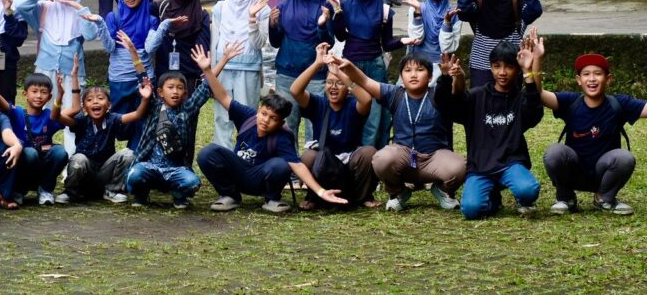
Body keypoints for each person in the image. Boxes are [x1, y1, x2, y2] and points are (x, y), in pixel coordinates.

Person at [522, 29, 647, 215]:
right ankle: (566, 197)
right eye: (586, 74)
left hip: (604, 172)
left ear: (608, 79)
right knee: (554, 153)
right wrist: (537, 59)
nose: (592, 79)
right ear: (578, 80)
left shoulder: (619, 104)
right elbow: (538, 94)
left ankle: (604, 198)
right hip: (574, 171)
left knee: (625, 158)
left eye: (598, 74)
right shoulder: (570, 102)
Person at [339, 52, 465, 212]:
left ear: (430, 77)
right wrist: (348, 66)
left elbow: (458, 91)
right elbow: (364, 81)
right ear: (401, 76)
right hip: (404, 158)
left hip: (434, 158)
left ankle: (443, 190)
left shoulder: (439, 95)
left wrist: (457, 76)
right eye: (408, 70)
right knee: (382, 159)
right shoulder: (395, 94)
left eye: (420, 70)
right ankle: (398, 192)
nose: (413, 75)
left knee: (459, 167)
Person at [197, 82, 347, 213]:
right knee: (207, 153)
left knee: (282, 164)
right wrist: (207, 69)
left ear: (281, 123)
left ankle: (272, 199)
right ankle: (230, 195)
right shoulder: (247, 116)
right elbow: (223, 96)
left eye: (273, 118)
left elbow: (296, 164)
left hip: (260, 180)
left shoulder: (283, 137)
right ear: (258, 110)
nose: (265, 120)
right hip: (239, 172)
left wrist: (321, 191)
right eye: (264, 114)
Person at [433, 41, 544, 219]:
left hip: (511, 163)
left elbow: (535, 113)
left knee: (528, 190)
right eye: (497, 66)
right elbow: (447, 106)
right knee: (471, 210)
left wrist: (528, 72)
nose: (502, 72)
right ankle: (493, 199)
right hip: (480, 167)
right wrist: (446, 78)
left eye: (509, 67)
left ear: (517, 70)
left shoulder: (520, 99)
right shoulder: (476, 96)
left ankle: (522, 199)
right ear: (490, 68)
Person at [125, 42, 244, 208]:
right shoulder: (154, 107)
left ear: (185, 93)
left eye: (179, 88)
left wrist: (223, 59)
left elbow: (206, 86)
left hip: (176, 169)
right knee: (134, 175)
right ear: (160, 92)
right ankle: (141, 195)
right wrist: (133, 52)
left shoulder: (188, 109)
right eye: (170, 87)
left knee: (192, 182)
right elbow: (143, 78)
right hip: (150, 166)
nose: (175, 91)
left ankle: (179, 195)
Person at [16, 0, 102, 157]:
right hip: (45, 70)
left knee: (72, 116)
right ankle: (40, 155)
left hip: (72, 73)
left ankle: (72, 159)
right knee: (40, 112)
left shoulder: (79, 12)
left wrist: (79, 8)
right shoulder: (44, 8)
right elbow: (20, 6)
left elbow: (91, 34)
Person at [327, 0, 412, 148]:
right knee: (350, 109)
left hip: (375, 65)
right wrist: (337, 11)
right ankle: (349, 153)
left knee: (374, 114)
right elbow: (340, 36)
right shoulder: (345, 5)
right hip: (350, 64)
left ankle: (370, 156)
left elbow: (387, 43)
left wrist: (402, 41)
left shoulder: (384, 9)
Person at [0, 42, 70, 206]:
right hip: (23, 163)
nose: (39, 96)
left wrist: (61, 95)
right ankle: (19, 190)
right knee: (29, 153)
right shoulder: (16, 112)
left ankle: (45, 189)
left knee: (60, 152)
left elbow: (69, 113)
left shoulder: (49, 115)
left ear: (49, 97)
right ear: (25, 94)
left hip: (43, 164)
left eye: (43, 92)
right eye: (34, 91)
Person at [290, 45, 378, 209]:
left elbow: (366, 100)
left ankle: (363, 197)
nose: (333, 87)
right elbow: (295, 91)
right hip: (323, 161)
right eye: (330, 82)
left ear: (348, 89)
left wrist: (340, 73)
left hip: (350, 160)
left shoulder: (353, 105)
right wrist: (317, 64)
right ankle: (314, 196)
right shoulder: (318, 104)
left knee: (368, 153)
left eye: (339, 83)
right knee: (308, 156)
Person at [52, 67, 152, 203]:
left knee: (128, 154)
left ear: (109, 105)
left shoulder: (113, 119)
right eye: (90, 100)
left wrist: (145, 99)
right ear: (84, 107)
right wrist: (60, 95)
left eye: (100, 98)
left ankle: (112, 190)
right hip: (84, 173)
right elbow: (56, 117)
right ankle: (71, 192)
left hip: (105, 172)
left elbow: (138, 114)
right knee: (79, 159)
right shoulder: (81, 121)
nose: (95, 102)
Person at [269, 0, 333, 143]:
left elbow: (328, 42)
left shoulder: (323, 7)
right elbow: (275, 42)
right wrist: (273, 24)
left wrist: (322, 25)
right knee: (287, 124)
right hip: (287, 73)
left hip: (315, 75)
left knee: (314, 125)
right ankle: (288, 159)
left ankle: (313, 160)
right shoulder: (283, 6)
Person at [455, 0, 542, 88]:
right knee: (480, 99)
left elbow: (534, 11)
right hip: (482, 64)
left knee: (511, 100)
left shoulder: (515, 0)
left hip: (511, 63)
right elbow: (463, 12)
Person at [94, 0, 158, 148]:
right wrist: (100, 25)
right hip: (120, 79)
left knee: (143, 123)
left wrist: (165, 26)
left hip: (144, 78)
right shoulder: (113, 17)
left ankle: (135, 156)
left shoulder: (151, 20)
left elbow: (150, 47)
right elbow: (109, 47)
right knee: (119, 125)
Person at [210, 0, 270, 148]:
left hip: (248, 69)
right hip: (224, 67)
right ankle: (223, 154)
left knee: (248, 116)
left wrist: (252, 19)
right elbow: (215, 41)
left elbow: (259, 44)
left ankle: (247, 154)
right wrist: (212, 72)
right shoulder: (221, 7)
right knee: (222, 116)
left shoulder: (262, 9)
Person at [148, 0, 211, 91]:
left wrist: (203, 73)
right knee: (162, 105)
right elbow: (138, 8)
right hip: (163, 74)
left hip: (188, 77)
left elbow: (202, 48)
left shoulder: (200, 14)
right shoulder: (162, 7)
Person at [396, 0, 462, 84]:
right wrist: (418, 12)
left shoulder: (454, 14)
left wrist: (447, 23)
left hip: (440, 69)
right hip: (415, 66)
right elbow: (416, 39)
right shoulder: (416, 8)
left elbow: (447, 49)